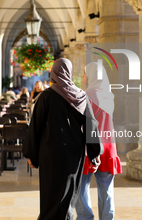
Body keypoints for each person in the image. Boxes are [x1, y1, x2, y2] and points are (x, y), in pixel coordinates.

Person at [23, 58, 103, 220]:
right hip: (73, 155)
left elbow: (35, 127)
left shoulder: (46, 97)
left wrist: (31, 153)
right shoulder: (80, 96)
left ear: (53, 73)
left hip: (50, 154)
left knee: (50, 194)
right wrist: (95, 153)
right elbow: (91, 125)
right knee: (68, 195)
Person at [75, 62, 122, 220]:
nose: (83, 76)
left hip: (89, 148)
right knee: (106, 190)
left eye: (85, 73)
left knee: (81, 188)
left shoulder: (85, 95)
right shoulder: (109, 95)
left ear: (91, 75)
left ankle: (85, 218)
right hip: (108, 148)